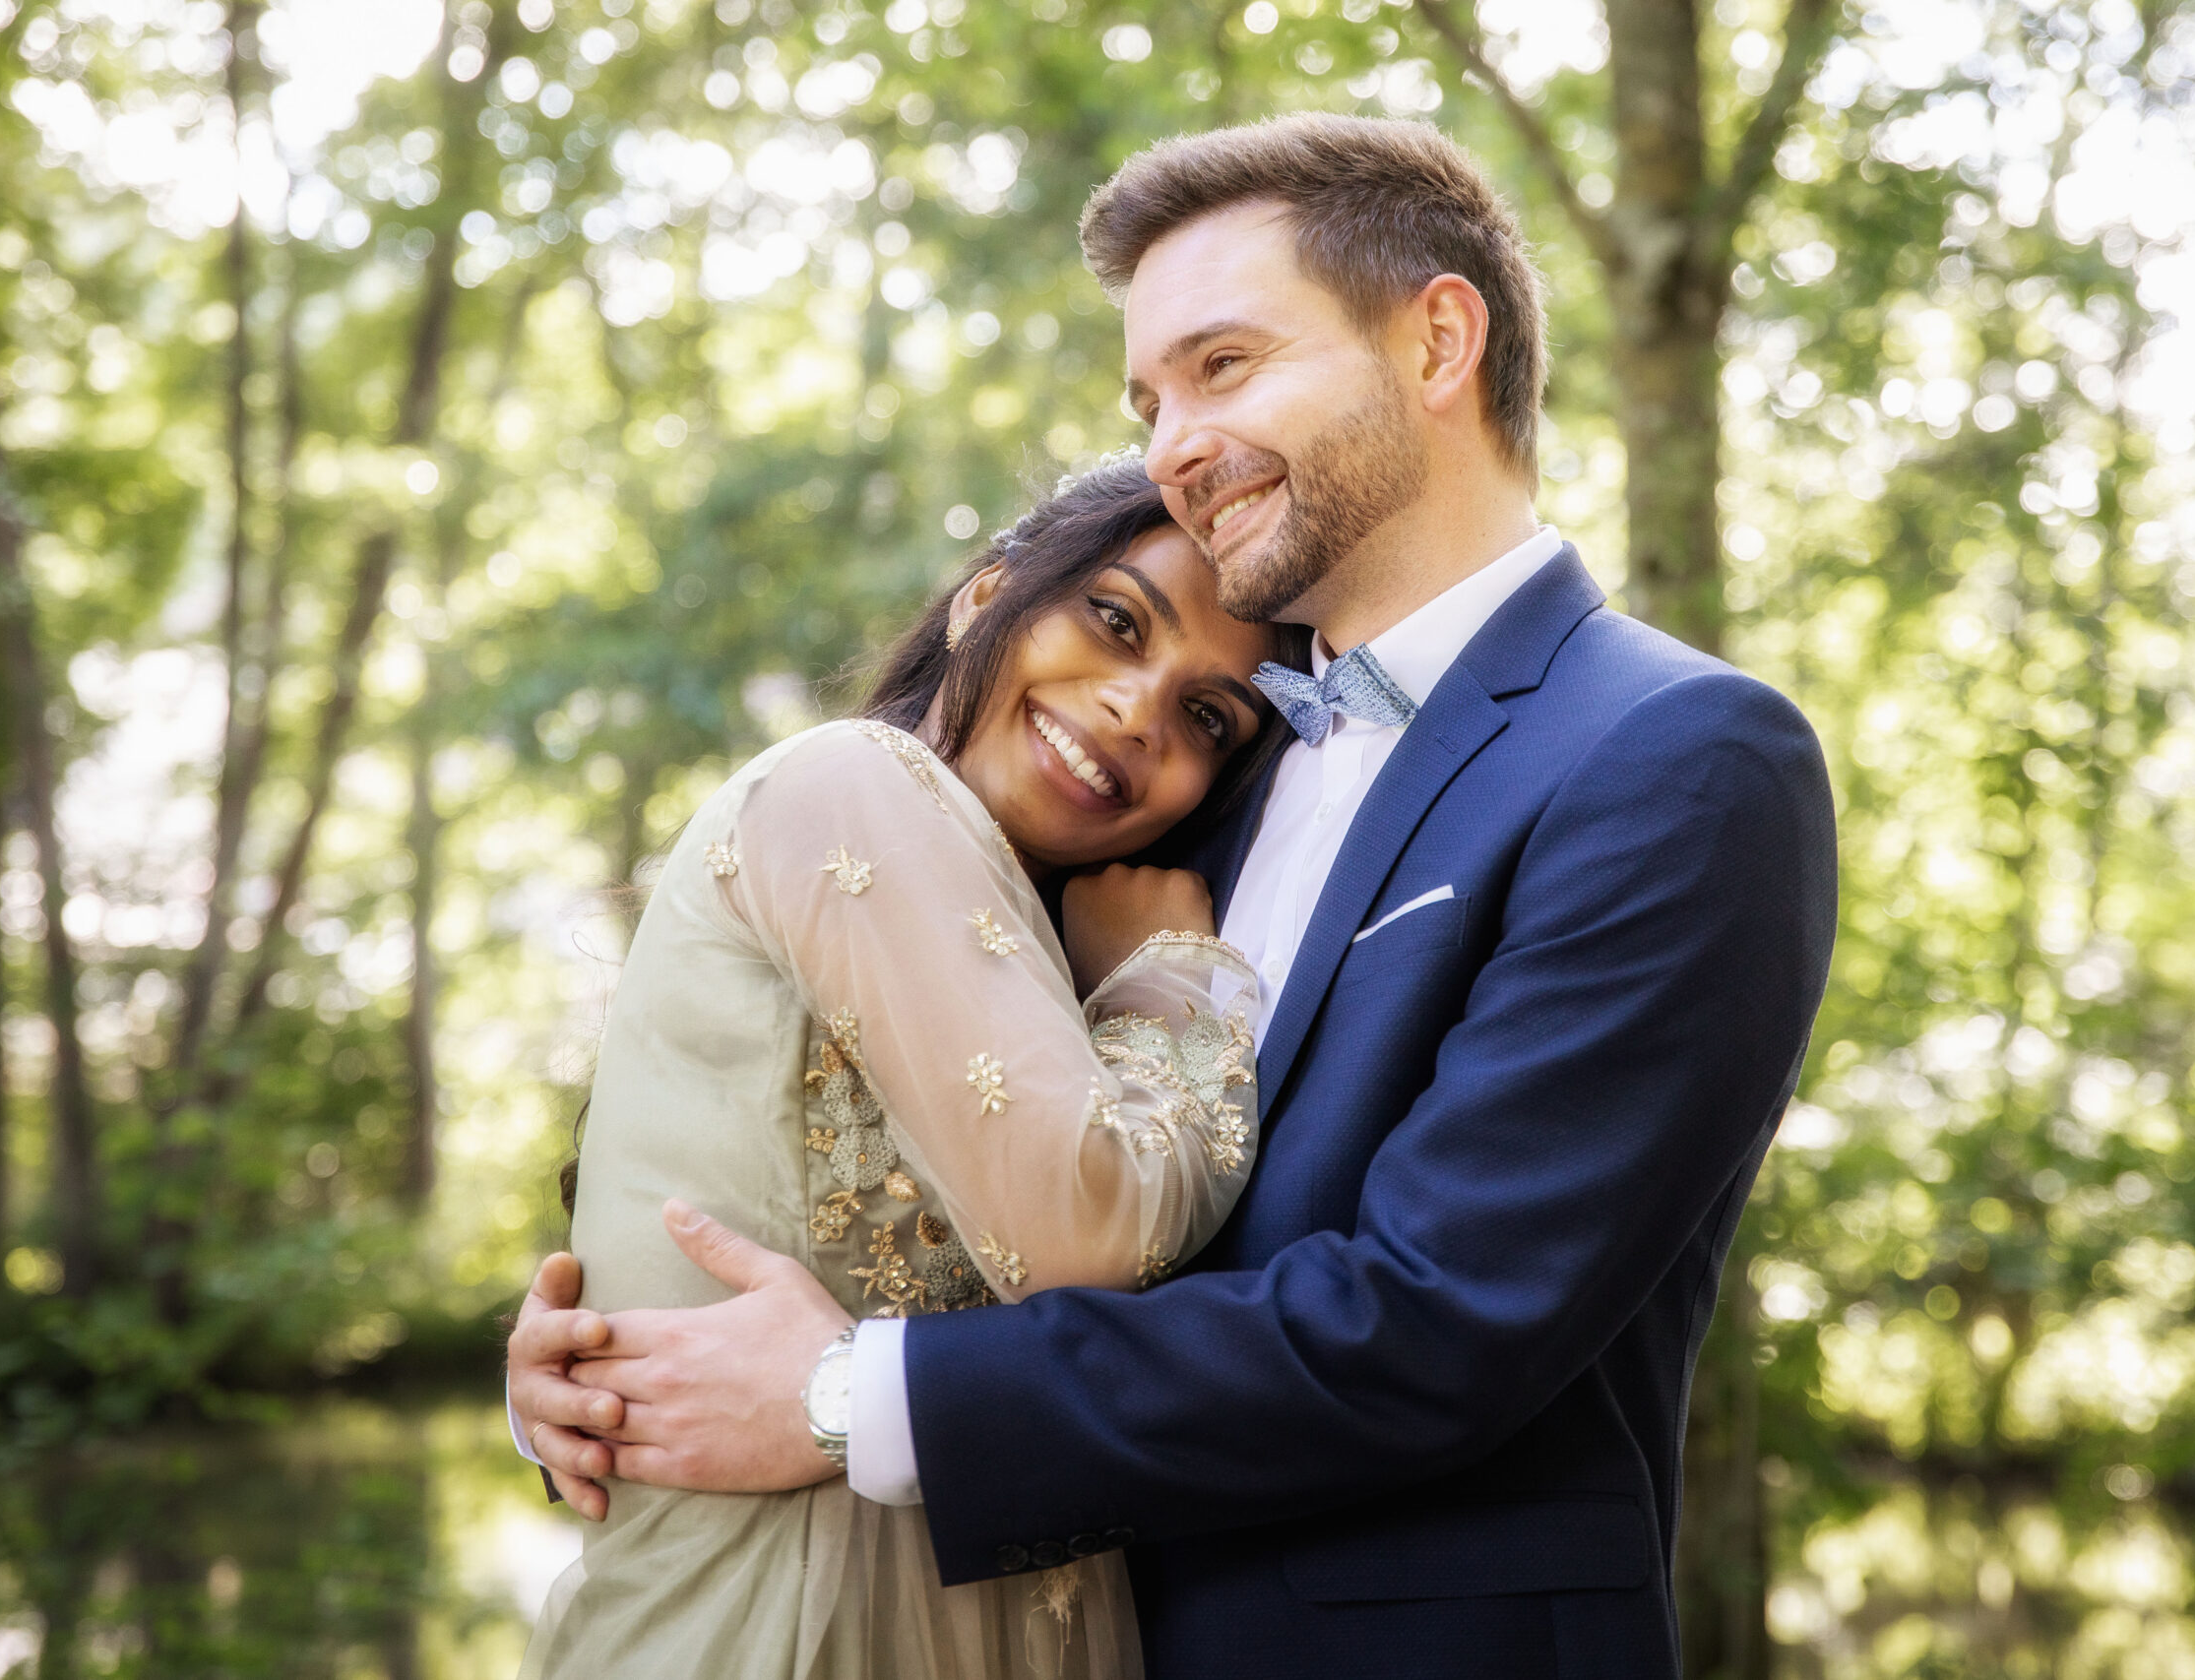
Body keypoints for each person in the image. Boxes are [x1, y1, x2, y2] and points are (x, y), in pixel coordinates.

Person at [512, 113, 1838, 1680]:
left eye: (1221, 366)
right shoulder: (1191, 779)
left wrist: (842, 1396)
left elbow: (1436, 1322)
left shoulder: (1675, 754)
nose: (1170, 443)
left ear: (1437, 337)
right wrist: (614, 1371)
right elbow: (895, 1146)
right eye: (1147, 397)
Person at [515, 457, 1310, 1680]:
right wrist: (1170, 976)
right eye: (1114, 619)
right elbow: (1087, 1222)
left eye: (1208, 717)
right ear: (984, 594)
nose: (1137, 706)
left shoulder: (1029, 963)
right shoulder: (851, 784)